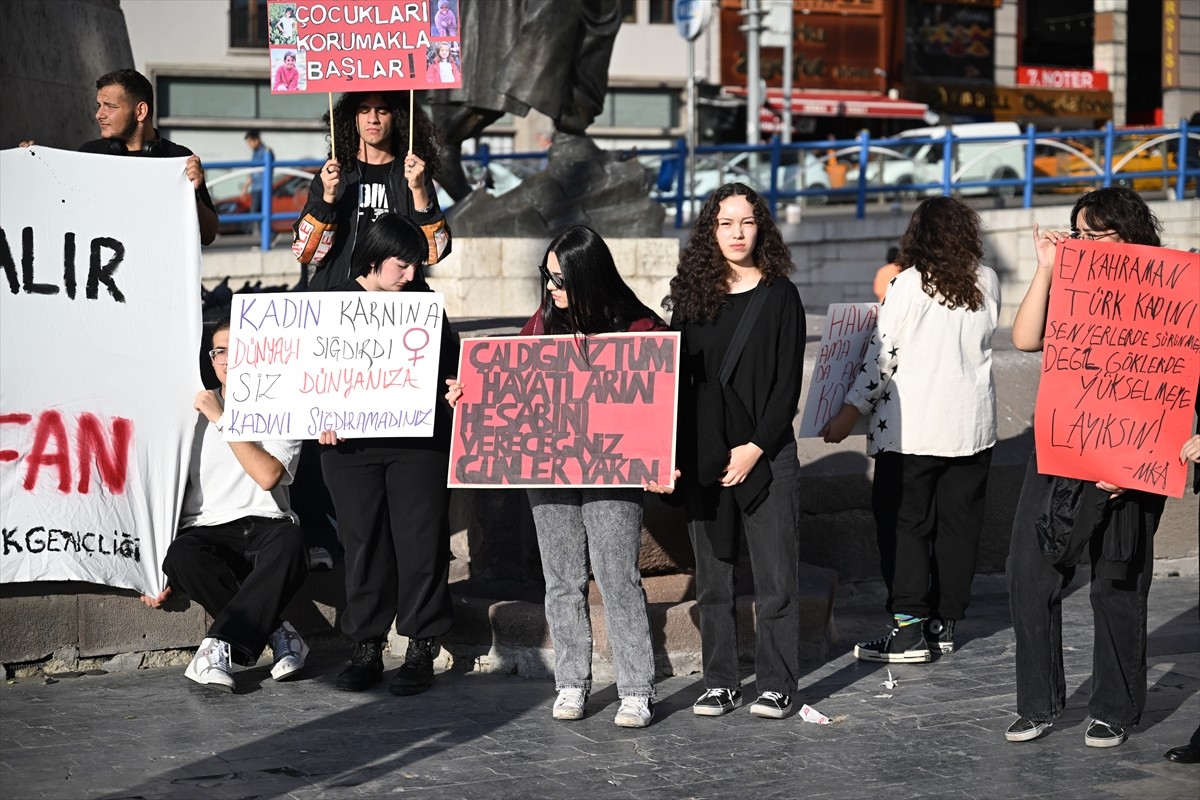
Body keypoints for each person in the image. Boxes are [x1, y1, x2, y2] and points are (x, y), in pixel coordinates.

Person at [448, 226, 664, 727]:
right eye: (546, 277)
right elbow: (508, 382)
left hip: (612, 472)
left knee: (618, 578)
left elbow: (660, 403)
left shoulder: (640, 329)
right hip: (549, 471)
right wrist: (471, 395)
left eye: (561, 279)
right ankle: (571, 681)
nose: (551, 288)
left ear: (589, 277)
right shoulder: (540, 324)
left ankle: (636, 687)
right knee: (562, 579)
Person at [1004, 187, 1169, 749]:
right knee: (1029, 573)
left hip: (1134, 456)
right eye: (1081, 234)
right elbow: (1025, 339)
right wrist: (1047, 269)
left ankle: (1114, 709)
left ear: (1132, 235)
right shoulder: (1070, 284)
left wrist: (1134, 465)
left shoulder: (1166, 288)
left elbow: (1176, 383)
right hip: (1062, 451)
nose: (1089, 245)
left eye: (1101, 234)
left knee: (1117, 583)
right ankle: (1038, 703)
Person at [822, 197, 999, 663]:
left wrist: (847, 412)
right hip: (972, 427)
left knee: (905, 528)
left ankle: (907, 630)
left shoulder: (910, 283)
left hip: (913, 430)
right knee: (959, 529)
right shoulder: (987, 280)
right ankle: (944, 625)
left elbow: (882, 355)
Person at [663, 182, 806, 720]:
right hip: (706, 458)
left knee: (776, 581)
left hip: (764, 456)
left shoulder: (781, 295)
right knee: (714, 579)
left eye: (747, 222)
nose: (737, 233)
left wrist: (754, 448)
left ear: (761, 227)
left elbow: (785, 387)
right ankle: (721, 681)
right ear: (711, 229)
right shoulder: (692, 296)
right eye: (726, 223)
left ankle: (777, 683)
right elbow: (674, 381)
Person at [318, 213, 459, 696]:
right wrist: (317, 417)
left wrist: (455, 390)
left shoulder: (424, 305)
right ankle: (367, 645)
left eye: (416, 265)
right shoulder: (332, 303)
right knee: (363, 544)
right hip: (349, 450)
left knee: (422, 542)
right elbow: (305, 377)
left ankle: (422, 644)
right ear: (374, 260)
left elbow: (450, 369)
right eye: (402, 265)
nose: (411, 275)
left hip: (417, 447)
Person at [140, 318, 309, 691]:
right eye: (220, 351)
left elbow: (267, 476)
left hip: (268, 523)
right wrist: (149, 570)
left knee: (292, 545)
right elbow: (158, 485)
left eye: (239, 349)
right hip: (208, 529)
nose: (229, 359)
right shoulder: (187, 413)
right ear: (211, 359)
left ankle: (217, 647)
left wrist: (222, 418)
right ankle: (279, 634)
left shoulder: (282, 406)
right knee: (182, 556)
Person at [24, 69, 219, 245]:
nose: (99, 114)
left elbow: (208, 236)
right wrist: (34, 167)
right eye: (99, 105)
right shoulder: (90, 154)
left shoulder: (178, 159)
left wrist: (193, 194)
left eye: (110, 106)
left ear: (140, 111)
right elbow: (58, 213)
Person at [292, 92, 450, 290]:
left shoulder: (414, 176)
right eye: (364, 110)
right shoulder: (334, 176)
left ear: (397, 118)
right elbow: (306, 252)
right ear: (354, 118)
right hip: (337, 293)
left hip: (398, 301)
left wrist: (418, 191)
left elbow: (434, 254)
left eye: (382, 111)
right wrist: (327, 201)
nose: (373, 119)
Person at [243, 130, 275, 219]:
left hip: (263, 187)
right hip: (256, 187)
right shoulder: (255, 152)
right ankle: (262, 232)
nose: (248, 145)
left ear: (256, 140)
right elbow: (253, 170)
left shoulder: (266, 151)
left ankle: (264, 232)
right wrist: (245, 187)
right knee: (256, 211)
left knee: (260, 211)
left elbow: (266, 169)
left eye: (250, 142)